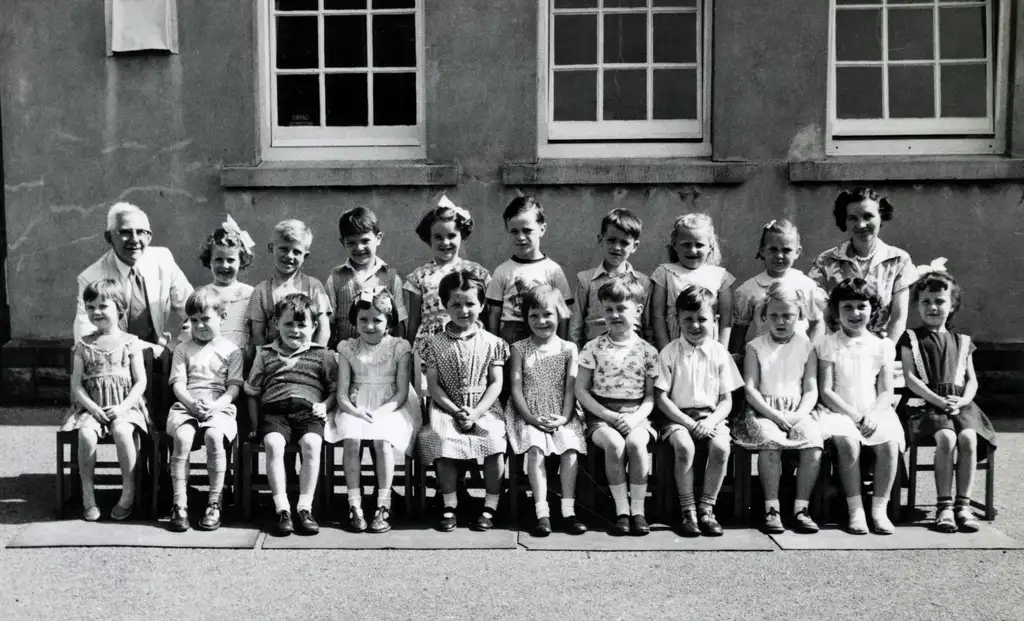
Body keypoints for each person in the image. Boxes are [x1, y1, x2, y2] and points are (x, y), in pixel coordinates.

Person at [897, 263, 996, 533]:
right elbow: (910, 378)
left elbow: (971, 379)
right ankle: (944, 506)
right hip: (926, 404)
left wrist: (963, 401)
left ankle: (962, 506)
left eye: (939, 301)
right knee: (947, 438)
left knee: (968, 438)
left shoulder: (962, 341)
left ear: (952, 305)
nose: (932, 307)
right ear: (917, 306)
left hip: (959, 403)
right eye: (926, 301)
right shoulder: (911, 338)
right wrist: (938, 401)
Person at [418, 270, 509, 532]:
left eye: (470, 303)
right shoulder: (434, 344)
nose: (463, 310)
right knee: (443, 439)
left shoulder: (493, 343)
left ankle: (490, 506)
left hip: (484, 407)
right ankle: (449, 504)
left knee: (493, 441)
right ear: (445, 306)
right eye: (456, 304)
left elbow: (496, 383)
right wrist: (456, 411)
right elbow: (434, 386)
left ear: (482, 305)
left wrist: (477, 412)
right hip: (447, 407)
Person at [327, 288, 421, 534]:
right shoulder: (348, 348)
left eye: (377, 320)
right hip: (357, 405)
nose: (369, 326)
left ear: (388, 321)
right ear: (354, 321)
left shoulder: (400, 347)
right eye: (363, 320)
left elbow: (401, 392)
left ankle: (383, 503)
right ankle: (355, 504)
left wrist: (381, 413)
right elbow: (342, 393)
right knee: (352, 439)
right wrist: (355, 412)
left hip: (391, 405)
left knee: (382, 440)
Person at [731, 282, 823, 534]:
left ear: (800, 316)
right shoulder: (755, 347)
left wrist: (797, 415)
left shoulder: (807, 347)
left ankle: (801, 508)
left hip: (798, 410)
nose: (780, 321)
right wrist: (774, 415)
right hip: (762, 410)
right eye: (773, 315)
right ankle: (772, 509)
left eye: (787, 316)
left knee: (813, 442)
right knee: (770, 443)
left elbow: (811, 388)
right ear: (764, 316)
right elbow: (750, 389)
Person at [815, 278, 905, 535]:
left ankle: (879, 509)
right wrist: (855, 416)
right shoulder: (828, 343)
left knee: (889, 442)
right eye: (847, 307)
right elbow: (826, 390)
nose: (855, 313)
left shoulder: (882, 346)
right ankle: (856, 509)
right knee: (847, 443)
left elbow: (886, 390)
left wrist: (874, 413)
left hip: (874, 410)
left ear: (873, 309)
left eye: (861, 306)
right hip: (839, 410)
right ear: (836, 310)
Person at [245, 293, 338, 536]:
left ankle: (304, 508)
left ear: (314, 327)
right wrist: (255, 426)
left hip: (308, 412)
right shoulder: (265, 354)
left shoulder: (322, 354)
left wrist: (325, 405)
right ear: (276, 324)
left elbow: (335, 390)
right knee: (273, 444)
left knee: (312, 444)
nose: (295, 330)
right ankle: (282, 508)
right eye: (288, 324)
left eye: (301, 325)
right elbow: (253, 391)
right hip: (275, 413)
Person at [654, 285, 742, 537]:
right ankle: (688, 510)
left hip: (711, 417)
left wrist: (712, 421)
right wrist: (687, 423)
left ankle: (706, 508)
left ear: (714, 320)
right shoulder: (669, 352)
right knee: (684, 447)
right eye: (688, 319)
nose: (694, 325)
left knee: (722, 448)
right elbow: (661, 398)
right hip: (677, 418)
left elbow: (726, 400)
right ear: (677, 319)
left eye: (701, 319)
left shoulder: (719, 353)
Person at [575, 276, 659, 536]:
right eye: (608, 309)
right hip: (601, 415)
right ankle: (621, 510)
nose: (614, 314)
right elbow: (581, 389)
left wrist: (635, 419)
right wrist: (607, 415)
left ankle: (638, 510)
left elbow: (650, 397)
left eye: (621, 308)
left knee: (635, 444)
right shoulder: (593, 348)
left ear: (638, 311)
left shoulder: (648, 351)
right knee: (615, 444)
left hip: (638, 416)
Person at [62, 279, 151, 521]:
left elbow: (140, 382)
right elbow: (77, 384)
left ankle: (128, 491)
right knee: (86, 434)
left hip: (126, 406)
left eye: (103, 306)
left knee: (122, 432)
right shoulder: (84, 345)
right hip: (91, 407)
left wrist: (122, 407)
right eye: (91, 307)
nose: (96, 312)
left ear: (120, 308)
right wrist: (92, 407)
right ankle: (88, 494)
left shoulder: (130, 342)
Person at [505, 286, 587, 537]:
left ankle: (568, 510)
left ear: (560, 314)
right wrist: (530, 417)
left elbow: (571, 388)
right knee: (535, 448)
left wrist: (564, 416)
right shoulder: (519, 348)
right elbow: (516, 388)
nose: (541, 321)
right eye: (534, 315)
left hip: (562, 411)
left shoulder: (568, 348)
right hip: (528, 413)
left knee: (570, 447)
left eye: (547, 314)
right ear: (526, 318)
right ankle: (542, 513)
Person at [165, 287, 244, 533]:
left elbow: (233, 389)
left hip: (219, 407)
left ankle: (214, 501)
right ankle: (180, 503)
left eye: (206, 319)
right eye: (194, 320)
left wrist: (215, 405)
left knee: (213, 436)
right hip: (186, 405)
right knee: (182, 437)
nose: (199, 325)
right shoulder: (182, 349)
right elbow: (178, 384)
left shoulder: (232, 351)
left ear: (222, 317)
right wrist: (190, 404)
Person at [74, 202, 192, 355]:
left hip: (158, 358)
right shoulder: (92, 277)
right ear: (108, 237)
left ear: (149, 237)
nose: (134, 239)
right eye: (125, 232)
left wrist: (182, 341)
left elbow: (195, 308)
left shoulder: (163, 260)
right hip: (116, 360)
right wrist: (150, 349)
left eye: (141, 232)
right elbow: (84, 338)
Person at [809, 188, 918, 341]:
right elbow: (820, 316)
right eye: (853, 218)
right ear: (844, 221)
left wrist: (885, 355)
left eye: (868, 216)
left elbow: (898, 318)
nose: (861, 225)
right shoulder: (826, 261)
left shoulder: (898, 260)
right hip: (835, 350)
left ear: (881, 217)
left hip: (880, 350)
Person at [405, 195, 491, 347]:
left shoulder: (476, 272)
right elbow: (414, 321)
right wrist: (410, 351)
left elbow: (486, 315)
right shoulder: (419, 276)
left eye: (451, 236)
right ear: (428, 238)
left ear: (462, 235)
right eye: (438, 237)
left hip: (469, 343)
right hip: (430, 345)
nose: (445, 242)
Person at [486, 196, 573, 343]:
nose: (520, 237)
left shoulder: (553, 270)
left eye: (527, 230)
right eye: (514, 231)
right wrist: (494, 348)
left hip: (544, 334)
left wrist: (562, 346)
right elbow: (493, 314)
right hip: (511, 337)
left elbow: (564, 314)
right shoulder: (502, 271)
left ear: (542, 229)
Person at [730, 219, 823, 351]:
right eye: (773, 249)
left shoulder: (806, 285)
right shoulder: (749, 290)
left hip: (799, 357)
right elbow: (739, 330)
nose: (779, 255)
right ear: (762, 251)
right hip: (764, 358)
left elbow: (817, 322)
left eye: (786, 250)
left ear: (797, 252)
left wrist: (813, 353)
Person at [568, 208, 651, 350]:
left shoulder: (642, 282)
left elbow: (649, 327)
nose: (617, 247)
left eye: (624, 243)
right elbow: (576, 326)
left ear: (634, 246)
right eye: (611, 240)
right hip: (594, 352)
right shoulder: (586, 280)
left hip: (631, 353)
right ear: (601, 240)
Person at [325, 207, 407, 347]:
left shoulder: (391, 278)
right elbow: (329, 323)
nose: (359, 248)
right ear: (342, 242)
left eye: (365, 241)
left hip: (384, 358)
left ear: (378, 238)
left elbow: (399, 323)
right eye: (351, 243)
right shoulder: (335, 278)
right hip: (346, 358)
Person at [651, 213, 734, 350]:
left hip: (709, 349)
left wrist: (721, 353)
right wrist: (666, 351)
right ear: (674, 244)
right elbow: (657, 316)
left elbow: (726, 321)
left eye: (699, 245)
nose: (693, 250)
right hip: (674, 347)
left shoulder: (721, 277)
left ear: (710, 246)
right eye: (686, 244)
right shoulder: (664, 273)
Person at [247, 219, 332, 350]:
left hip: (308, 362)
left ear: (305, 255)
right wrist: (266, 360)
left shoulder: (314, 286)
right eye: (284, 249)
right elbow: (257, 335)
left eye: (297, 252)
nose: (289, 256)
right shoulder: (261, 291)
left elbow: (324, 330)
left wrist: (315, 358)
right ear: (271, 248)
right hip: (274, 362)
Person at [198, 216, 256, 362]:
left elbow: (256, 331)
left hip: (242, 358)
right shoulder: (203, 294)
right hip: (211, 359)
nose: (224, 266)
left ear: (241, 261)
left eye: (231, 260)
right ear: (209, 261)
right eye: (218, 259)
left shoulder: (250, 294)